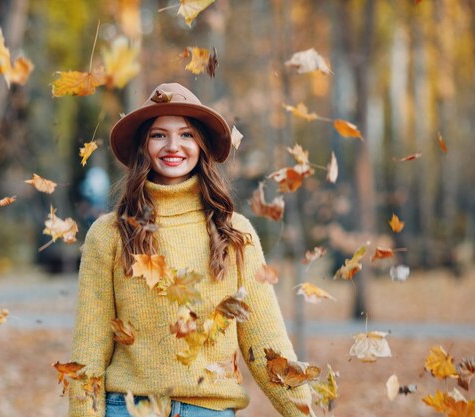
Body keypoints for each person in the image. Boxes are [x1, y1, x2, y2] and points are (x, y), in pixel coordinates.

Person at [67, 83, 313, 417]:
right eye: (158, 135)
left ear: (201, 145)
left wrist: (303, 411)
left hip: (208, 410)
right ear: (143, 145)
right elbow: (90, 348)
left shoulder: (235, 232)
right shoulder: (109, 234)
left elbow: (266, 340)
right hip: (128, 408)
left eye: (186, 134)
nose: (173, 146)